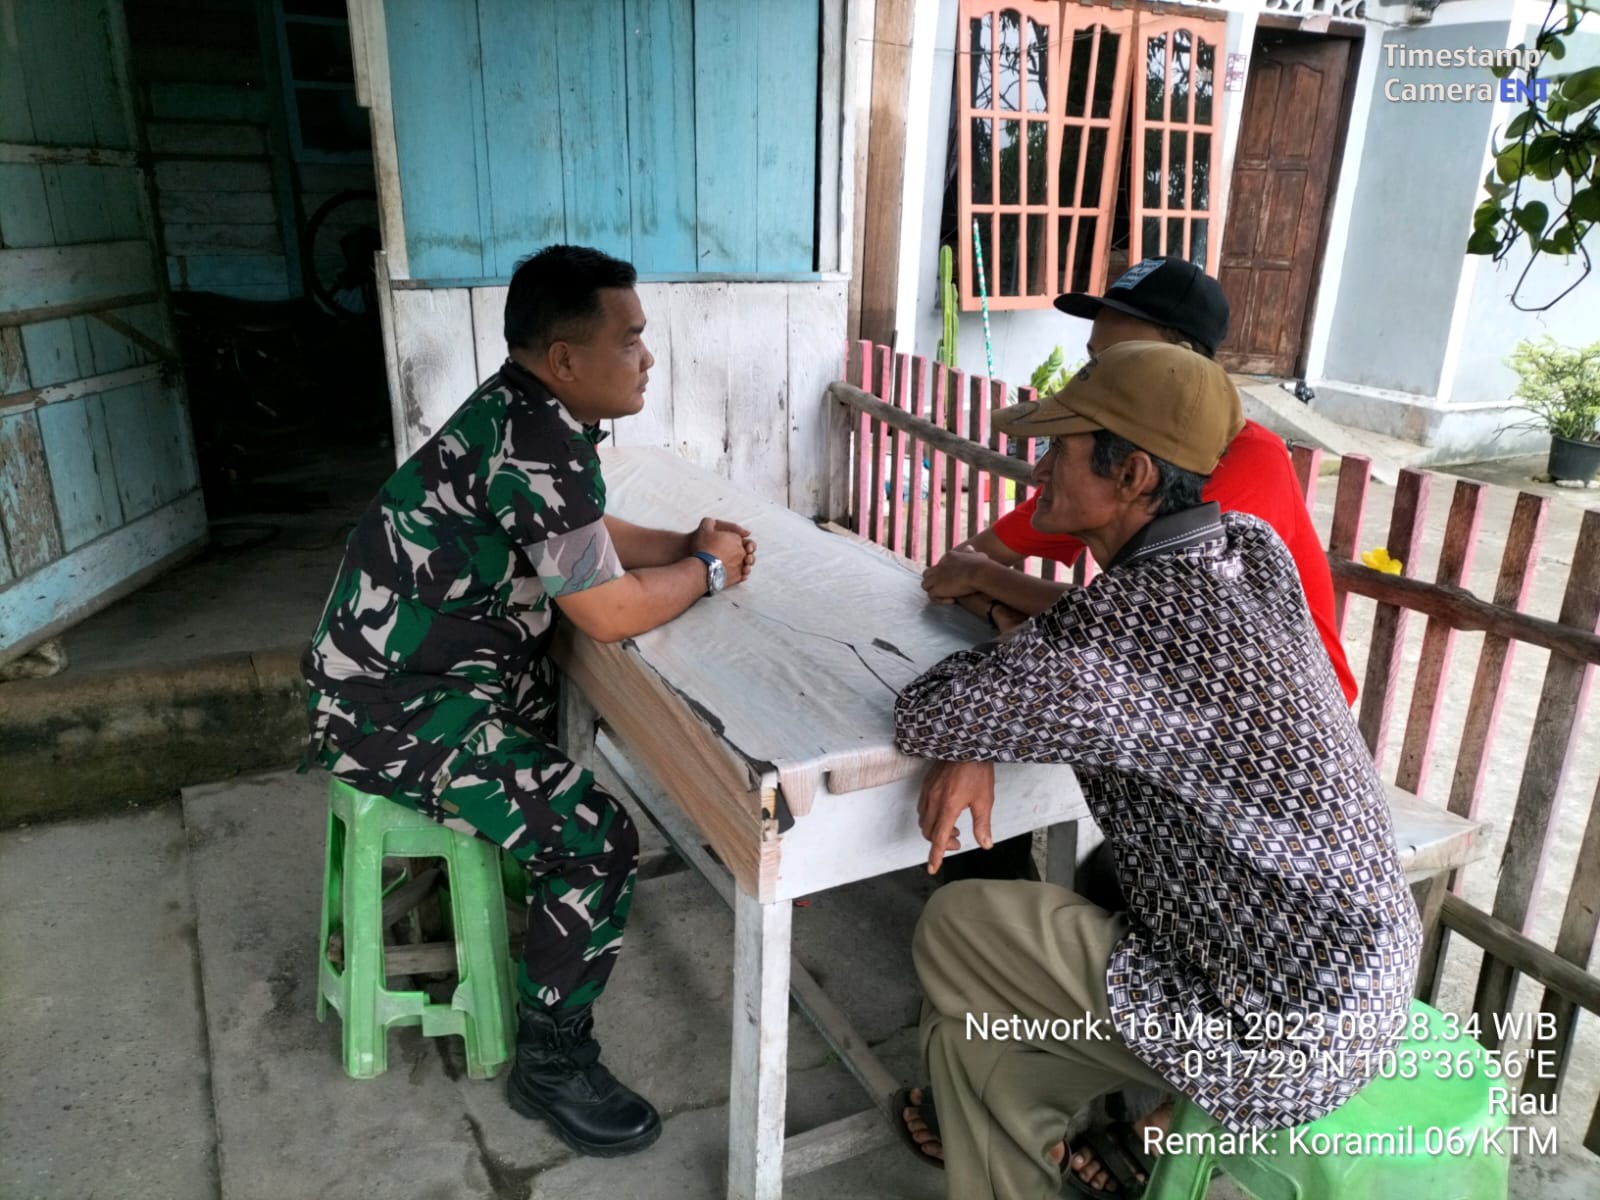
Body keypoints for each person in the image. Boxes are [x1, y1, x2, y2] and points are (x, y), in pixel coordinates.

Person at [891, 342, 1421, 1200]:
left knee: (957, 925)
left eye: (1058, 450)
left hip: (1270, 1026)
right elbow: (1091, 632)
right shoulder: (1242, 546)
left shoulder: (1132, 620)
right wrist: (1001, 610)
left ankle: (1132, 1122)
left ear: (1131, 472)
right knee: (974, 1047)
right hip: (1365, 973)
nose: (1040, 469)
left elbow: (928, 711)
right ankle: (1048, 1140)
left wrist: (988, 681)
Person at [301, 244, 756, 1157]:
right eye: (630, 341)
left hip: (415, 678)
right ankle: (551, 1061)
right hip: (389, 709)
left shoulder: (528, 413)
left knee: (554, 705)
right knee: (598, 834)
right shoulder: (534, 433)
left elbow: (574, 529)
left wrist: (681, 541)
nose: (648, 357)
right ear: (564, 360)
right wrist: (703, 571)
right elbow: (609, 609)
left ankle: (526, 919)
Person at [924, 257, 1357, 885]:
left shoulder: (1244, 464)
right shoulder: (1102, 456)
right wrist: (994, 595)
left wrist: (994, 597)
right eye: (1095, 358)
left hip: (1263, 749)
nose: (1095, 376)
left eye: (1118, 359)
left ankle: (994, 942)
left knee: (1006, 762)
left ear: (1184, 366)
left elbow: (1137, 632)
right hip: (1178, 702)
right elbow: (974, 561)